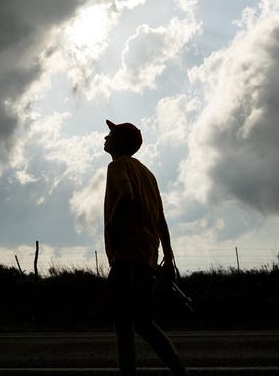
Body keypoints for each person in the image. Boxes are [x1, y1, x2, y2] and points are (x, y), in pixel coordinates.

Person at [102, 119, 187, 375]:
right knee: (143, 321)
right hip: (148, 256)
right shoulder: (148, 174)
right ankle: (179, 369)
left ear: (120, 142)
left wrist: (111, 226)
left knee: (123, 324)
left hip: (126, 255)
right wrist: (169, 256)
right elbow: (161, 218)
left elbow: (127, 195)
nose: (106, 138)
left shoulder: (117, 166)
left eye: (111, 134)